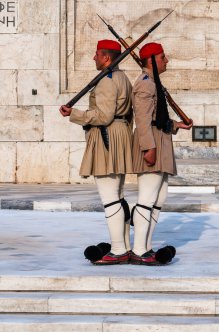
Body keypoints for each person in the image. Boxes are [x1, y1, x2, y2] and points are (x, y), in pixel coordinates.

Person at [60, 39, 133, 265]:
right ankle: (125, 245)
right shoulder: (122, 78)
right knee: (118, 196)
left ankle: (119, 249)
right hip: (118, 134)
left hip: (106, 136)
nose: (93, 58)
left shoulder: (107, 81)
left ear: (106, 58)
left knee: (110, 197)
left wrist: (74, 114)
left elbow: (103, 116)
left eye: (96, 55)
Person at [130, 42, 193, 265]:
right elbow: (143, 120)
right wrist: (149, 148)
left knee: (159, 198)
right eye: (162, 57)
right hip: (153, 144)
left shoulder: (154, 82)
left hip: (161, 141)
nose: (166, 61)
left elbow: (159, 117)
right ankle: (138, 249)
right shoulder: (145, 84)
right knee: (147, 198)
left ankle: (146, 245)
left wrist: (177, 125)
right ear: (151, 60)